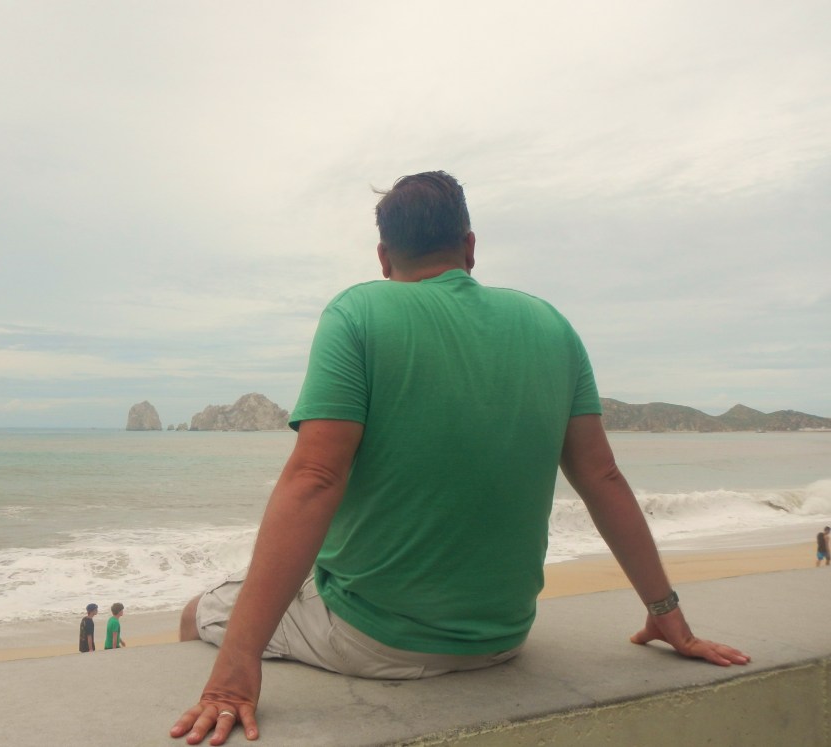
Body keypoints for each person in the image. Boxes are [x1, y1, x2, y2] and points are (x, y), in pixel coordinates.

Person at [170, 171, 750, 746]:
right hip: (503, 637)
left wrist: (234, 675)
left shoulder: (358, 314)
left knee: (199, 610)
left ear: (382, 256)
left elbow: (316, 478)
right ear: (470, 246)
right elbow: (603, 477)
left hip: (373, 639)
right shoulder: (552, 326)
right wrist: (667, 614)